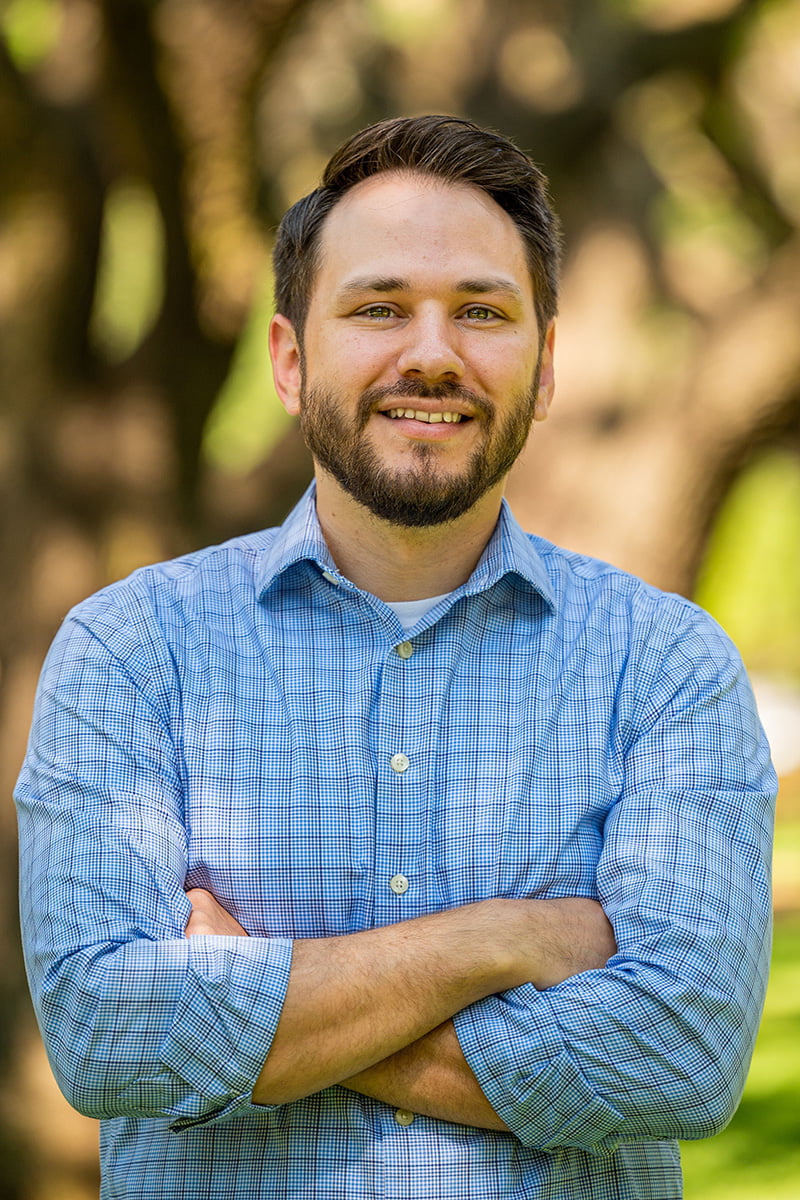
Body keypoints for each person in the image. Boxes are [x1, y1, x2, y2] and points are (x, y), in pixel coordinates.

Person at [16, 115, 776, 1199]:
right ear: (289, 359)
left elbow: (680, 1060)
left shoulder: (660, 668)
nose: (431, 351)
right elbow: (103, 1035)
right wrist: (499, 940)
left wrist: (248, 1003)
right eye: (378, 308)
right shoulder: (133, 652)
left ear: (544, 366)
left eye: (481, 312)